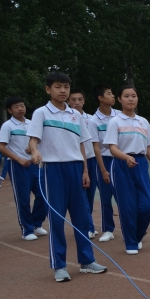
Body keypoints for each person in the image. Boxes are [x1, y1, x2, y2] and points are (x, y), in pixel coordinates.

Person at [27, 71, 108, 282]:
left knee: (82, 217)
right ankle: (59, 265)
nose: (63, 91)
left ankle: (87, 261)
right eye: (58, 87)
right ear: (48, 89)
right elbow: (33, 140)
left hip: (76, 168)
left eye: (66, 87)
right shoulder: (41, 113)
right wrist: (34, 151)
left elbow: (81, 144)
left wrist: (85, 170)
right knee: (56, 219)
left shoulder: (76, 115)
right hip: (53, 169)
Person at [104, 85, 150, 255]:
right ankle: (130, 242)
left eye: (134, 96)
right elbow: (112, 148)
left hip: (140, 164)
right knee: (127, 206)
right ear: (120, 99)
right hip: (121, 164)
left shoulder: (143, 122)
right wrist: (125, 157)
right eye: (126, 96)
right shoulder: (115, 121)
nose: (130, 99)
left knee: (148, 206)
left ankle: (137, 235)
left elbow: (148, 147)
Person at [0, 96, 47, 239]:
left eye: (22, 105)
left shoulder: (32, 123)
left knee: (43, 195)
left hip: (35, 164)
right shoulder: (8, 126)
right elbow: (0, 146)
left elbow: (38, 140)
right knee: (23, 199)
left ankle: (36, 223)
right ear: (9, 110)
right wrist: (18, 158)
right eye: (16, 107)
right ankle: (27, 230)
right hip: (18, 166)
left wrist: (33, 148)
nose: (20, 109)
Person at [66, 89, 99, 239]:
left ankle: (87, 224)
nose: (77, 102)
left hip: (92, 160)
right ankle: (88, 227)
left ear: (84, 101)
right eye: (73, 100)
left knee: (90, 195)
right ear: (68, 101)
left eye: (80, 99)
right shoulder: (67, 120)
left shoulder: (91, 119)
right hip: (77, 161)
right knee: (81, 196)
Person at [90, 85, 119, 242]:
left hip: (120, 159)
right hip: (104, 160)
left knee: (125, 196)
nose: (113, 96)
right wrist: (102, 170)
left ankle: (132, 227)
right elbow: (96, 147)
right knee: (106, 197)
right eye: (109, 93)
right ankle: (108, 229)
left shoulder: (120, 115)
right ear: (100, 98)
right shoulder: (93, 121)